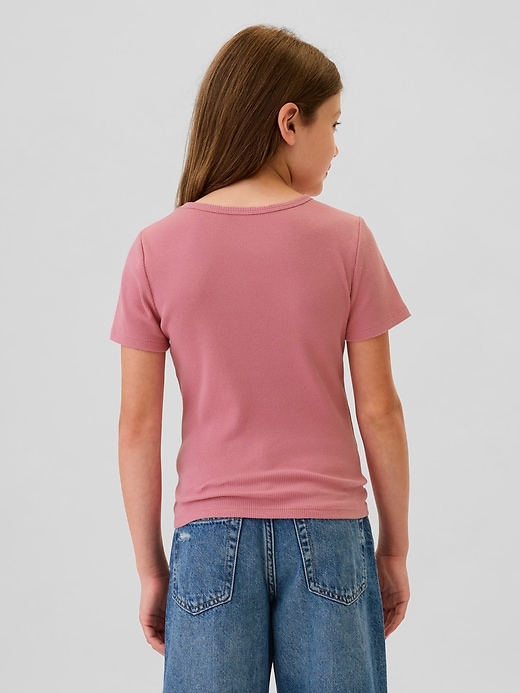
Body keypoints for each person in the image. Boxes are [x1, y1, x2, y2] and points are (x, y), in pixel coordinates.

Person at [111, 24, 410, 693]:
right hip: (332, 535)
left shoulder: (155, 248)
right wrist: (394, 547)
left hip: (208, 539)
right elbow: (381, 411)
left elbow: (137, 425)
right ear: (290, 122)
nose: (337, 146)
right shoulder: (348, 240)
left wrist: (152, 568)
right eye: (334, 124)